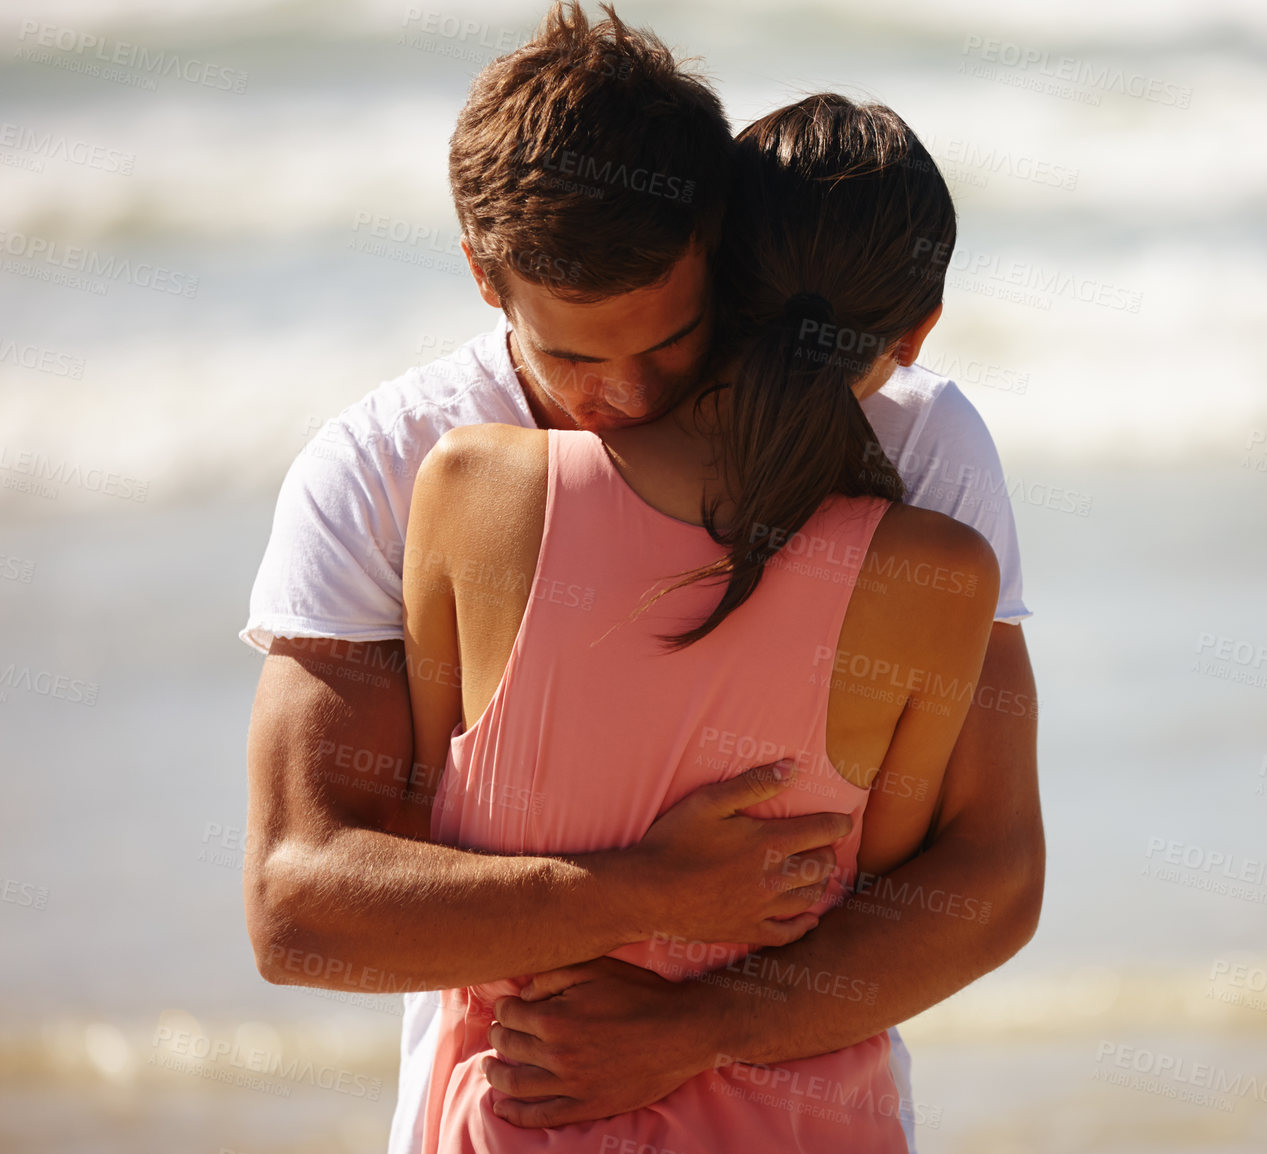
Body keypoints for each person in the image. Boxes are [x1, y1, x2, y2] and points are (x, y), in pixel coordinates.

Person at [239, 5, 1043, 1150]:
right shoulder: (389, 465)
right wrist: (646, 890)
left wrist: (697, 1021)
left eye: (668, 343)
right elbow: (300, 907)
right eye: (571, 355)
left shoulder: (920, 442)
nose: (618, 397)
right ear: (484, 276)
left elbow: (992, 875)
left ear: (717, 250)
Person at [401, 91, 998, 1152]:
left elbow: (426, 819)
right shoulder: (939, 576)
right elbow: (879, 880)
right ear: (916, 336)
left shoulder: (470, 487)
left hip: (522, 1108)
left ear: (711, 279)